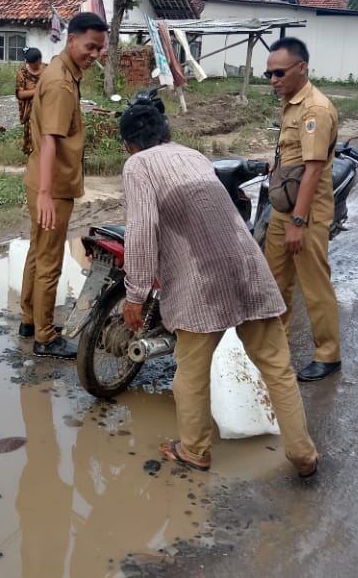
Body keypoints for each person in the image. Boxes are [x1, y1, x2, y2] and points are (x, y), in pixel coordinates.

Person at [119, 99, 319, 478]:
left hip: (201, 282)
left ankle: (194, 450)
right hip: (248, 267)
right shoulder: (192, 155)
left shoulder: (138, 165)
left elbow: (142, 230)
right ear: (166, 133)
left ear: (129, 144)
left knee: (191, 372)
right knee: (277, 368)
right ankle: (303, 453)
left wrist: (136, 294)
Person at [19, 13, 108, 358]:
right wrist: (45, 193)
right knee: (50, 260)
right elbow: (51, 140)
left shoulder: (60, 71)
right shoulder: (60, 83)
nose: (95, 54)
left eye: (100, 49)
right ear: (71, 41)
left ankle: (29, 320)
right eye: (90, 47)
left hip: (44, 181)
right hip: (52, 187)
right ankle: (45, 337)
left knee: (37, 251)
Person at [263, 37, 342, 382]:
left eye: (279, 72)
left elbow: (312, 170)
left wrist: (298, 221)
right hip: (283, 210)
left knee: (314, 285)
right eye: (268, 74)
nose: (273, 79)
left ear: (301, 68)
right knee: (275, 282)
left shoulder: (315, 110)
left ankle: (328, 354)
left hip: (305, 215)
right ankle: (273, 349)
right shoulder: (290, 103)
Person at [15, 47, 45, 156]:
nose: (39, 65)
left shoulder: (47, 69)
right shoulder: (22, 73)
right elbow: (20, 94)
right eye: (36, 64)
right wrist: (38, 90)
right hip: (31, 113)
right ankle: (34, 161)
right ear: (28, 62)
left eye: (40, 61)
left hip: (47, 110)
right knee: (33, 139)